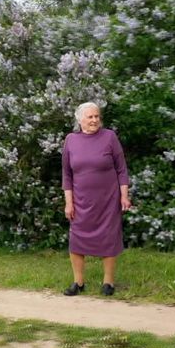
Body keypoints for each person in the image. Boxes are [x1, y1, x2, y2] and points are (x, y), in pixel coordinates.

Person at [61, 102, 131, 296]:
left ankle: (108, 282)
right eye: (90, 117)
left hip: (108, 200)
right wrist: (69, 202)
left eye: (97, 116)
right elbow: (66, 174)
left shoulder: (109, 137)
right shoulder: (71, 140)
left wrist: (124, 195)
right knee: (76, 241)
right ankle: (78, 282)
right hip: (81, 201)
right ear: (80, 119)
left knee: (108, 239)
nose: (94, 120)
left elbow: (121, 169)